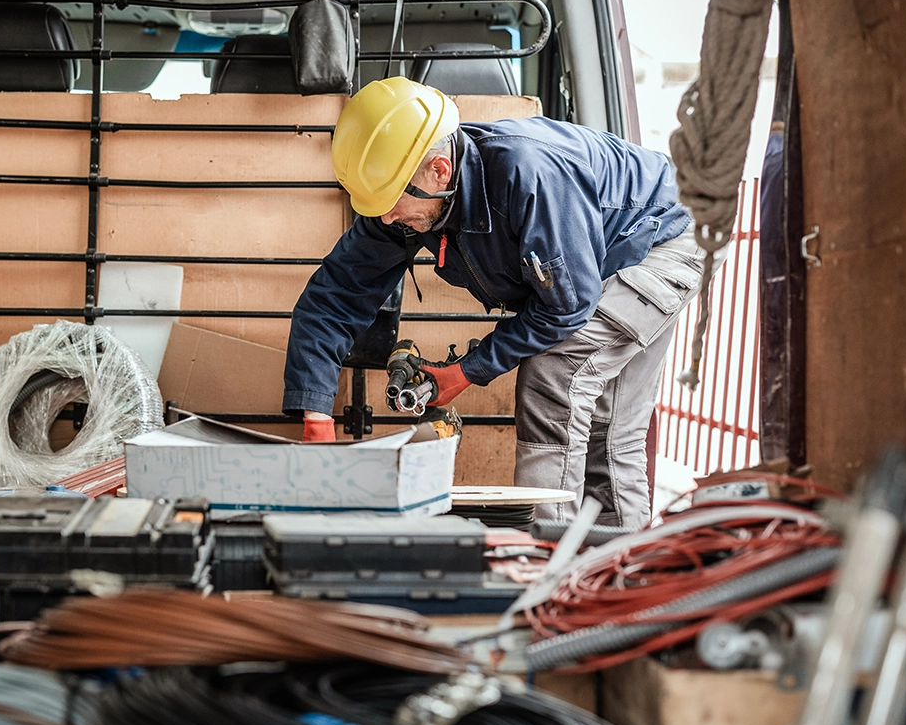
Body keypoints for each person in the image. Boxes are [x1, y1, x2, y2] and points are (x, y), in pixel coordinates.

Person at [283, 77, 721, 528]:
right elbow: (333, 298)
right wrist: (317, 419)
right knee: (610, 427)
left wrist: (465, 371)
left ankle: (544, 558)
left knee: (557, 373)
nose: (387, 217)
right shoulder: (405, 198)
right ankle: (616, 565)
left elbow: (566, 306)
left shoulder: (527, 174)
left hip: (671, 233)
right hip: (605, 252)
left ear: (440, 171)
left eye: (392, 202)